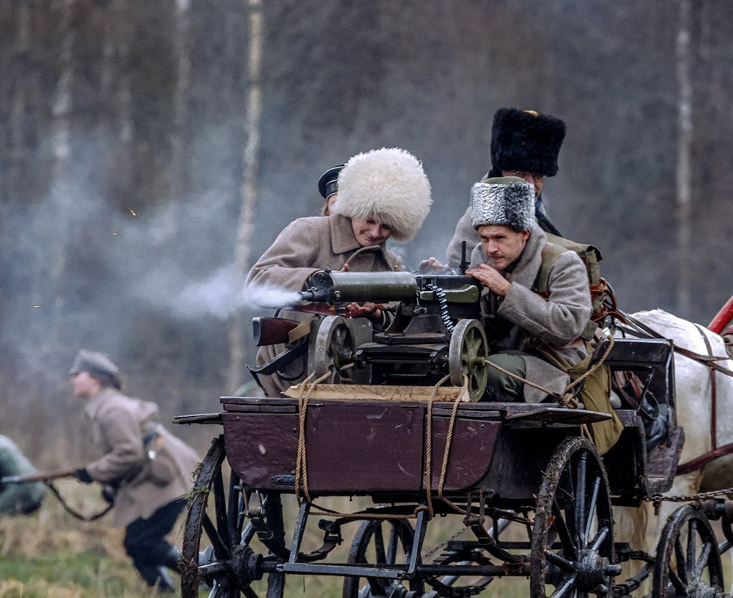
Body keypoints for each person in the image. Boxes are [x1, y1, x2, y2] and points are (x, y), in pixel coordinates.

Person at [245, 147, 432, 396]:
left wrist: (378, 316)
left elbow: (399, 331)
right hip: (291, 377)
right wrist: (315, 281)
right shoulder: (309, 232)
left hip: (357, 388)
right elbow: (258, 281)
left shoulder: (392, 264)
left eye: (386, 226)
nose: (376, 233)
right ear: (353, 208)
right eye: (369, 220)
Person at [69, 350, 200, 593]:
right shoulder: (106, 407)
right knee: (137, 543)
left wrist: (93, 472)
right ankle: (165, 589)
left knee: (140, 541)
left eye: (78, 373)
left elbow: (129, 454)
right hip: (158, 477)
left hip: (169, 479)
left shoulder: (112, 410)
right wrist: (111, 486)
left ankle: (202, 572)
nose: (72, 378)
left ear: (96, 379)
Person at [465, 177, 591, 403]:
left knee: (489, 374)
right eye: (484, 238)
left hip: (553, 364)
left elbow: (568, 326)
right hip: (499, 354)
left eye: (500, 238)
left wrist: (508, 291)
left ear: (524, 233)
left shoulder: (563, 263)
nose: (491, 248)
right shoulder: (480, 257)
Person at [442, 107, 567, 267]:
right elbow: (457, 262)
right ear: (501, 171)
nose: (529, 184)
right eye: (520, 174)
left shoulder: (535, 205)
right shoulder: (486, 205)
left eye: (537, 176)